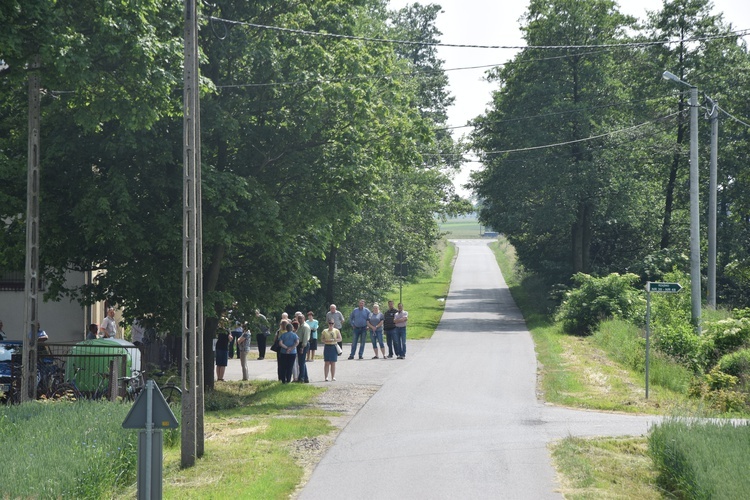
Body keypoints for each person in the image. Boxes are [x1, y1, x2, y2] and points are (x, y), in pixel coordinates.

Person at [294, 312, 311, 383]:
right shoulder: (300, 326)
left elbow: (305, 338)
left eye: (301, 318)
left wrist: (302, 347)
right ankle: (306, 378)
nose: (300, 320)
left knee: (301, 363)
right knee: (301, 362)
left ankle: (301, 378)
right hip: (299, 344)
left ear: (304, 319)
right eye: (299, 318)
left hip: (303, 345)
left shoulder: (305, 327)